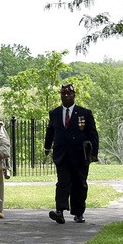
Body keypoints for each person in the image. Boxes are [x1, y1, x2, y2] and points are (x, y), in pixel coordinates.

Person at [44, 83, 99, 224]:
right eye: (63, 94)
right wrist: (47, 147)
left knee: (80, 184)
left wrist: (94, 154)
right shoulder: (55, 113)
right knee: (62, 183)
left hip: (80, 155)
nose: (66, 96)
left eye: (69, 94)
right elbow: (50, 131)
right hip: (62, 154)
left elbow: (93, 133)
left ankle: (78, 213)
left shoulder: (84, 113)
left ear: (74, 95)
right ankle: (60, 211)